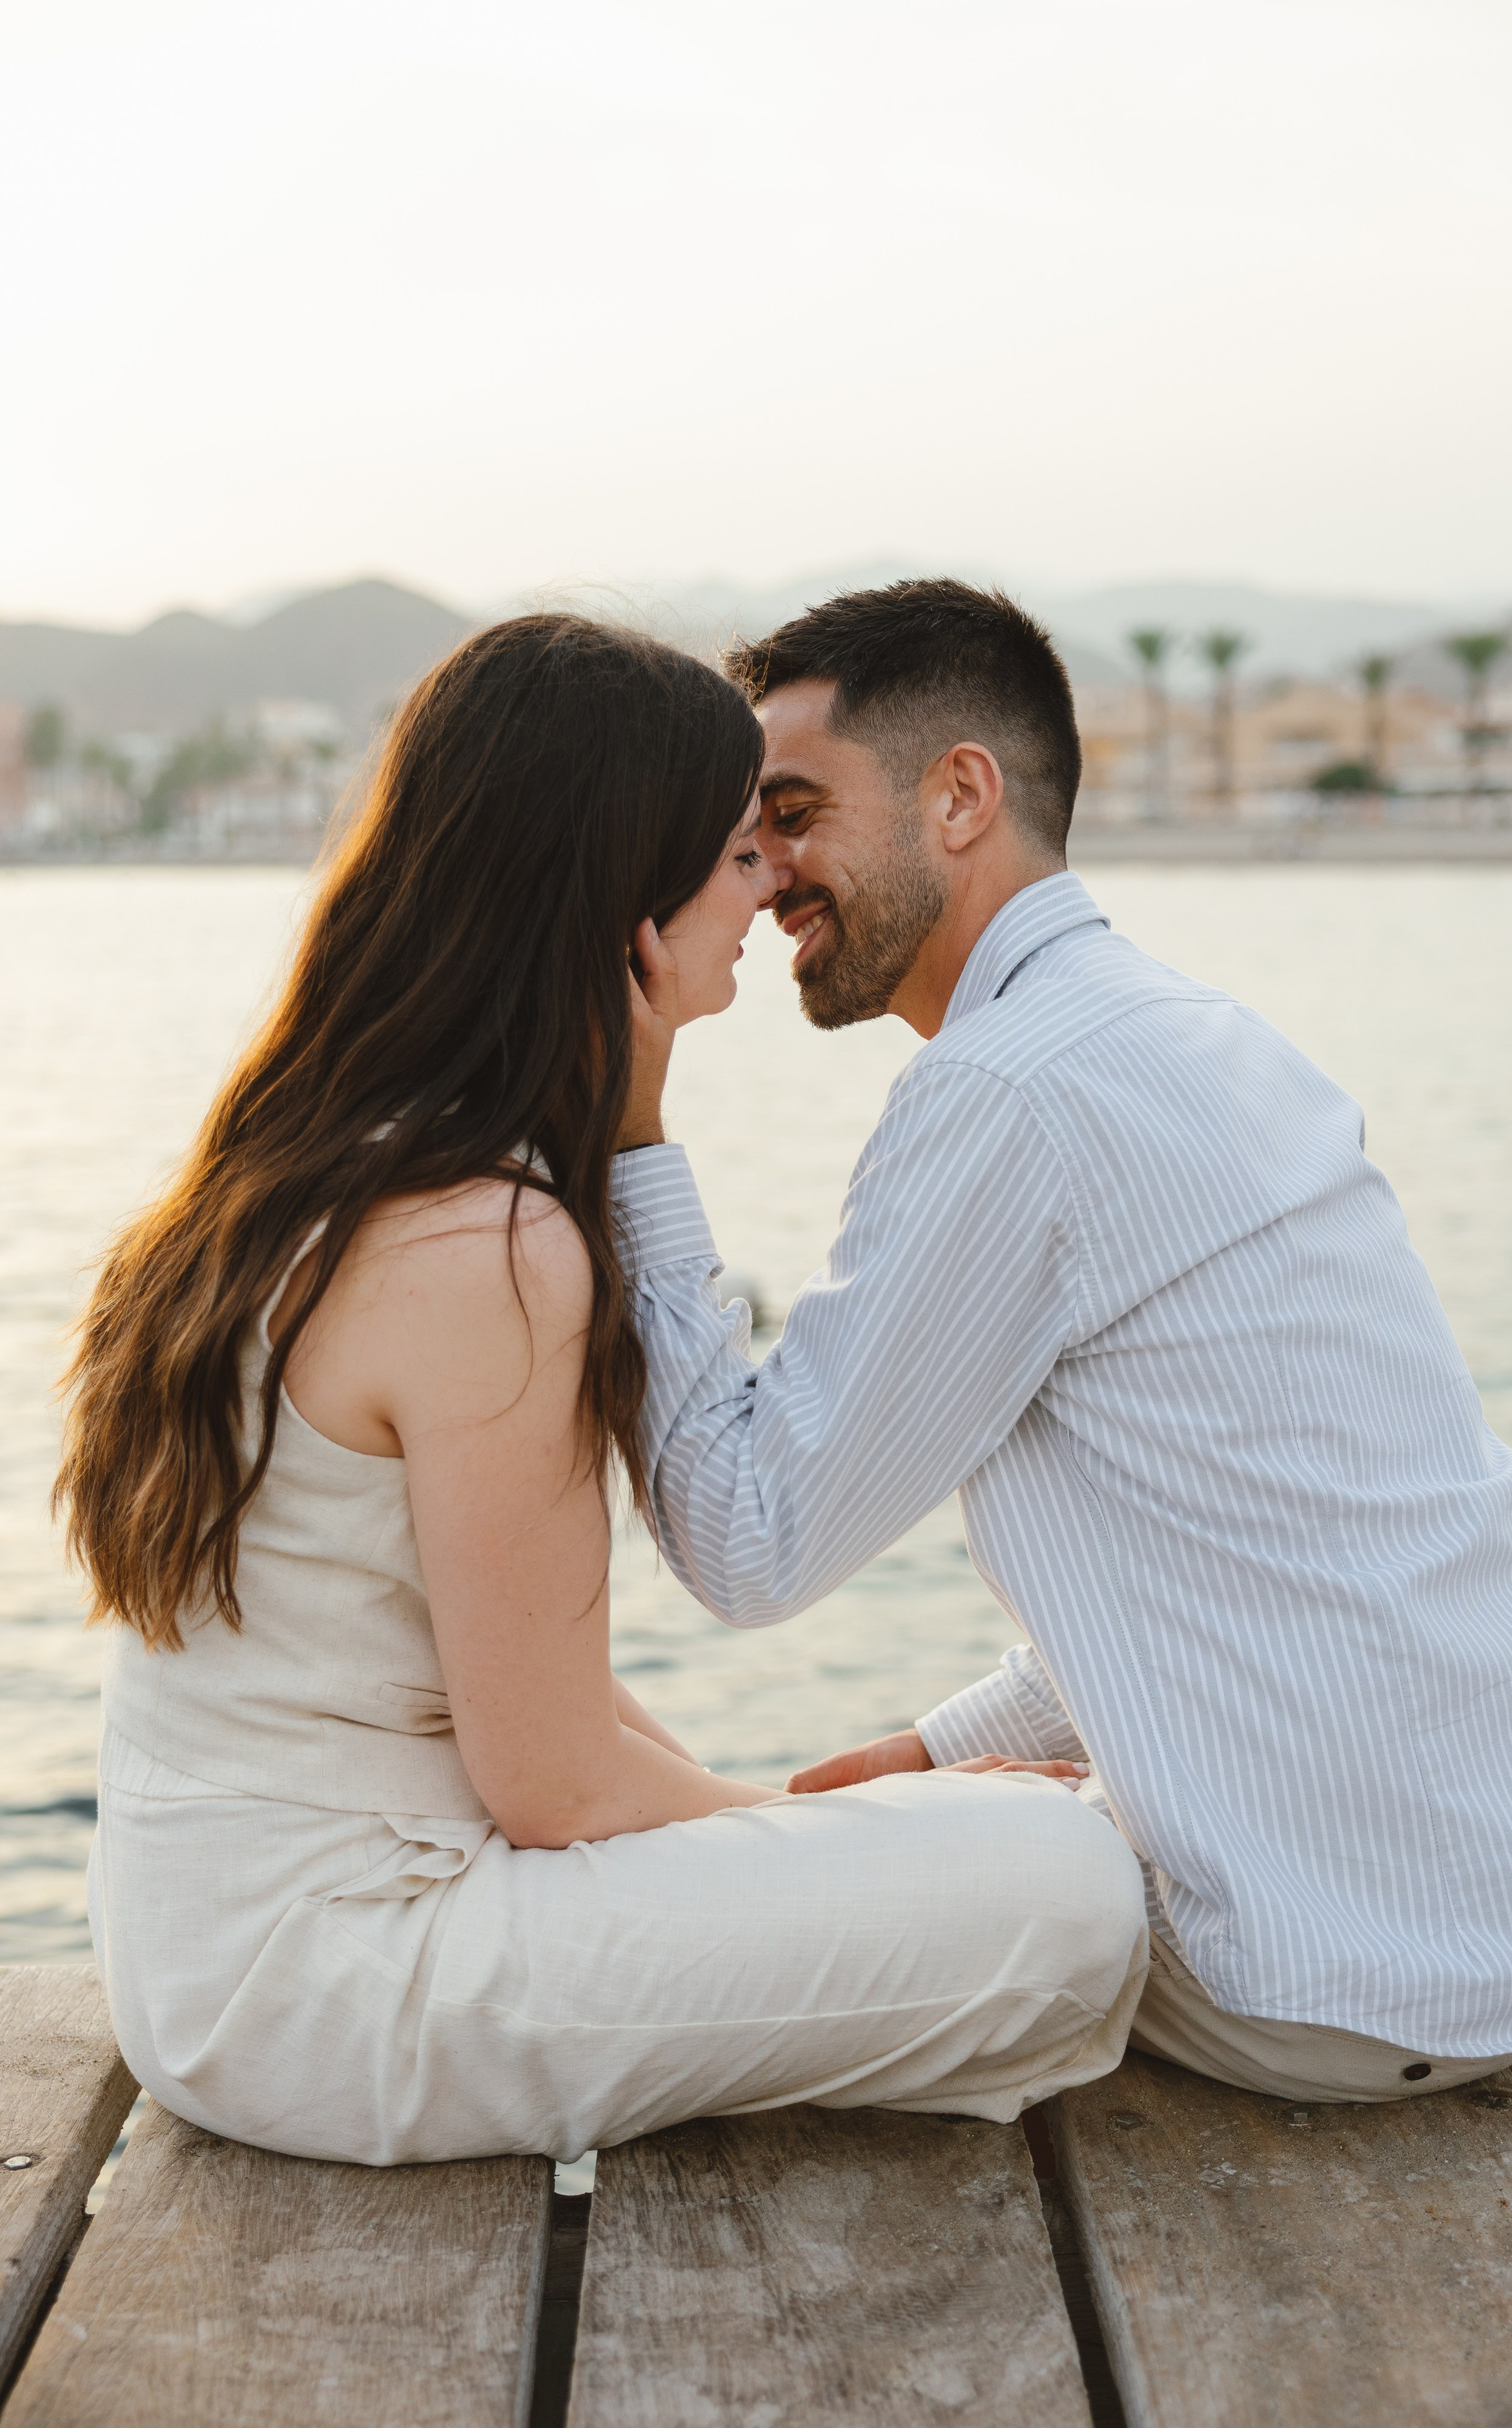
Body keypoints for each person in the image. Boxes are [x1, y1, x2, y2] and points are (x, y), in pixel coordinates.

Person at [57, 613, 1150, 2167]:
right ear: (613, 900)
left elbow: (525, 1693)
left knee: (990, 1835)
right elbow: (555, 1779)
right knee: (1072, 1888)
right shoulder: (485, 1244)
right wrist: (829, 1840)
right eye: (730, 851)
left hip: (224, 1962)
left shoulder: (330, 1163)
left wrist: (798, 1831)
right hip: (338, 1989)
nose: (767, 885)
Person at [617, 578, 1512, 2107]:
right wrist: (940, 1743)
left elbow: (746, 1534)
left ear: (957, 796)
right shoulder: (1202, 1037)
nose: (763, 874)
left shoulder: (1002, 1092)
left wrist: (633, 1132)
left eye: (793, 811)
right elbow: (1259, 1529)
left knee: (704, 1935)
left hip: (1344, 1976)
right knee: (911, 1817)